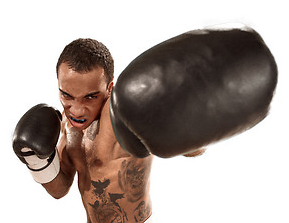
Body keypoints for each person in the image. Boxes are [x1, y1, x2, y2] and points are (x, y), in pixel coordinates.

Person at [13, 38, 205, 223]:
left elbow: (196, 149)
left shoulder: (124, 113)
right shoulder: (67, 122)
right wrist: (37, 162)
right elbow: (59, 190)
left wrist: (182, 119)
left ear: (109, 88)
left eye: (90, 97)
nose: (77, 110)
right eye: (67, 95)